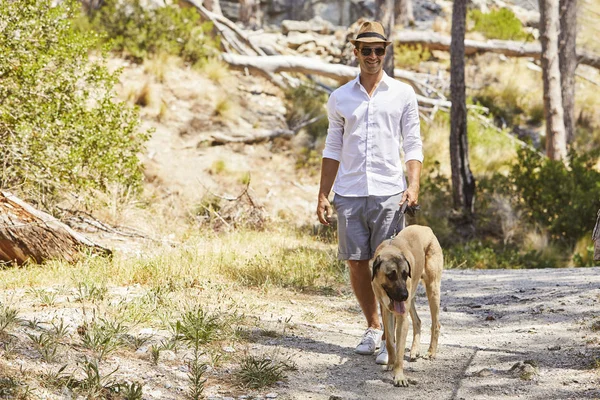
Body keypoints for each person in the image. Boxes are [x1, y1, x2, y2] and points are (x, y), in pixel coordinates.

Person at [316, 20, 423, 365]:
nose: (373, 56)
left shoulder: (403, 94)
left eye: (379, 50)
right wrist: (323, 194)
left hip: (390, 192)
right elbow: (332, 147)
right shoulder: (340, 97)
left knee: (392, 268)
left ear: (385, 52)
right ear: (356, 52)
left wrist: (414, 183)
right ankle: (374, 327)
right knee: (357, 264)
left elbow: (413, 143)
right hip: (349, 193)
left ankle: (392, 338)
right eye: (367, 50)